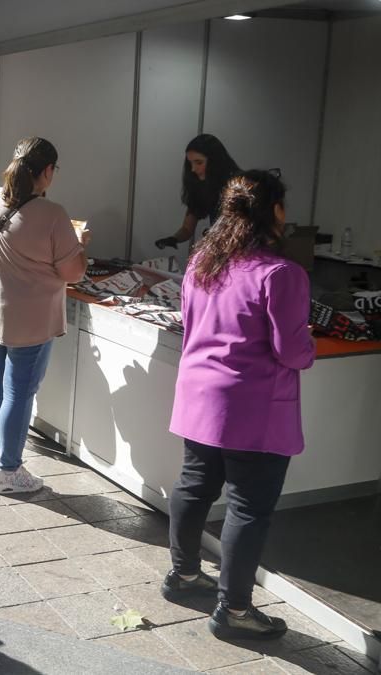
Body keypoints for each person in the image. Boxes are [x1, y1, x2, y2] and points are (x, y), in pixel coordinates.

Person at [164, 170, 314, 641]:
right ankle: (235, 610)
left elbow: (189, 325)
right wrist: (308, 345)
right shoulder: (281, 274)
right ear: (274, 212)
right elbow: (292, 351)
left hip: (200, 395)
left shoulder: (203, 263)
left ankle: (184, 576)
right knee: (248, 508)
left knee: (194, 485)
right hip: (254, 409)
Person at [0, 137, 89, 494]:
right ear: (47, 172)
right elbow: (73, 273)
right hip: (31, 321)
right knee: (19, 392)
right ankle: (9, 471)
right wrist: (81, 245)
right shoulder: (53, 215)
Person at [156, 134, 241, 250]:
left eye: (199, 162)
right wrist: (174, 239)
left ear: (215, 161)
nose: (193, 169)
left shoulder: (239, 187)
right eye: (190, 163)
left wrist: (215, 235)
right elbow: (187, 228)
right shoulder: (202, 185)